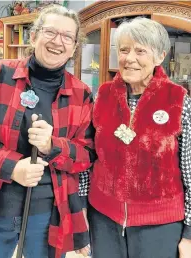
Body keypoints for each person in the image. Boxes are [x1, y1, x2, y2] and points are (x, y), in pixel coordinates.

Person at [0, 4, 95, 258]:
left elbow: (86, 154)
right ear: (34, 36)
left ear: (75, 47)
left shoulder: (82, 94)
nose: (58, 42)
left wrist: (51, 145)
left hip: (48, 216)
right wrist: (13, 167)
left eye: (67, 37)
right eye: (50, 32)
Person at [88, 17, 191, 258]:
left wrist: (189, 234)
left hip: (160, 224)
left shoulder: (178, 99)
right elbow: (88, 156)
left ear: (159, 56)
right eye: (124, 50)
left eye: (140, 51)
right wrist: (82, 211)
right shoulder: (102, 95)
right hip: (103, 218)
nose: (130, 58)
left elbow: (190, 170)